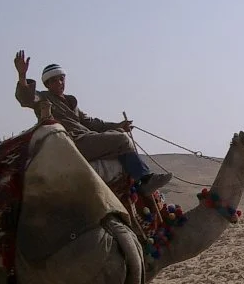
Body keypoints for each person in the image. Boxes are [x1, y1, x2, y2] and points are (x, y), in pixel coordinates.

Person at [13, 50, 170, 196]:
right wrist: (22, 75)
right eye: (54, 80)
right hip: (72, 141)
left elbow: (91, 122)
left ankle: (140, 179)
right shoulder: (43, 97)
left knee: (120, 134)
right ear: (47, 84)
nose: (60, 83)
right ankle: (145, 179)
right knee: (121, 140)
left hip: (87, 136)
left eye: (62, 78)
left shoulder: (71, 102)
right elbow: (26, 98)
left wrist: (118, 125)